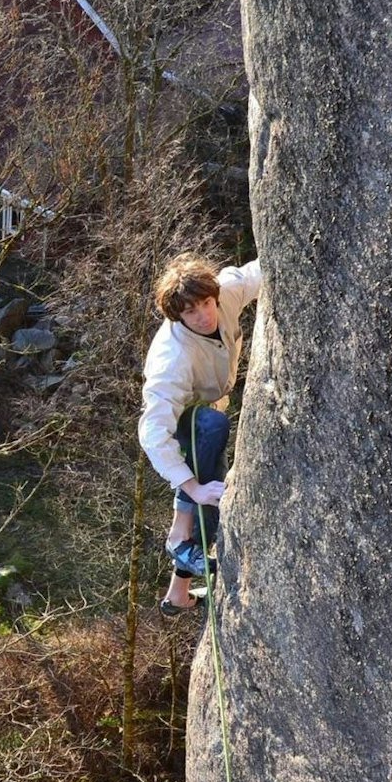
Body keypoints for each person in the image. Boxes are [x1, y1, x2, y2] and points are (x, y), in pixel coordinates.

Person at [138, 253, 262, 616]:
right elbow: (153, 432)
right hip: (187, 424)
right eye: (191, 312)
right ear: (178, 316)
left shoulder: (226, 292)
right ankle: (179, 534)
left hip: (210, 416)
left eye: (206, 303)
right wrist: (191, 488)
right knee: (209, 479)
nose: (204, 315)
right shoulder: (171, 357)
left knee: (214, 487)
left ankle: (178, 592)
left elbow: (262, 269)